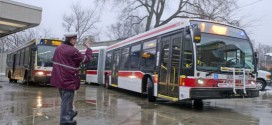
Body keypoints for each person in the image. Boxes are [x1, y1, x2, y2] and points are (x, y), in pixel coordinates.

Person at [50, 32, 92, 125]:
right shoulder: (72, 50)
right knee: (66, 101)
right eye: (75, 39)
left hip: (59, 79)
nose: (76, 41)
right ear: (72, 39)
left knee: (66, 100)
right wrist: (88, 48)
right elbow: (86, 59)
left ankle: (69, 113)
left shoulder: (58, 48)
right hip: (68, 79)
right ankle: (65, 120)